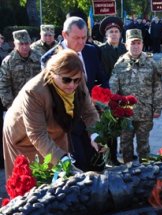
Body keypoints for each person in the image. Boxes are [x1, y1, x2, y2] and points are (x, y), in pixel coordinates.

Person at [3, 50, 99, 179]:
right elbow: (37, 134)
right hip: (23, 138)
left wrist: (96, 135)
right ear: (53, 74)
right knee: (31, 181)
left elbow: (89, 112)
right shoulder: (34, 92)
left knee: (61, 179)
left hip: (54, 129)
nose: (72, 85)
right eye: (66, 80)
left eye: (76, 80)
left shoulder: (77, 80)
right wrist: (63, 160)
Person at [41, 16, 109, 171]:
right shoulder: (50, 59)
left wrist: (102, 101)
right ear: (65, 35)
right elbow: (50, 94)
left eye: (84, 37)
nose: (81, 42)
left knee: (98, 162)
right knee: (79, 165)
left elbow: (102, 79)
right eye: (76, 38)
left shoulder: (92, 51)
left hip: (91, 115)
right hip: (67, 121)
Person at [110, 29, 162, 163]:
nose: (135, 46)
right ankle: (127, 173)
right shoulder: (120, 63)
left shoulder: (151, 63)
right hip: (126, 113)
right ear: (126, 45)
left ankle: (145, 172)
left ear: (142, 44)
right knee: (125, 145)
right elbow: (113, 88)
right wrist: (112, 108)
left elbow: (157, 86)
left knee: (144, 145)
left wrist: (158, 108)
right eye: (132, 43)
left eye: (138, 43)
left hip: (145, 112)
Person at [98, 16, 127, 165]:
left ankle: (126, 152)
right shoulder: (100, 50)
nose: (114, 34)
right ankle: (112, 156)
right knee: (110, 127)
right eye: (111, 31)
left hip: (124, 94)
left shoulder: (125, 49)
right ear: (106, 34)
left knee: (124, 123)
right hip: (108, 94)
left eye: (116, 31)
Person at [0, 30, 42, 110]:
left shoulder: (39, 58)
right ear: (15, 44)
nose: (24, 47)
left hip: (37, 103)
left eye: (26, 43)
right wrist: (11, 106)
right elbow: (4, 85)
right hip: (17, 105)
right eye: (21, 44)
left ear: (30, 43)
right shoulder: (8, 61)